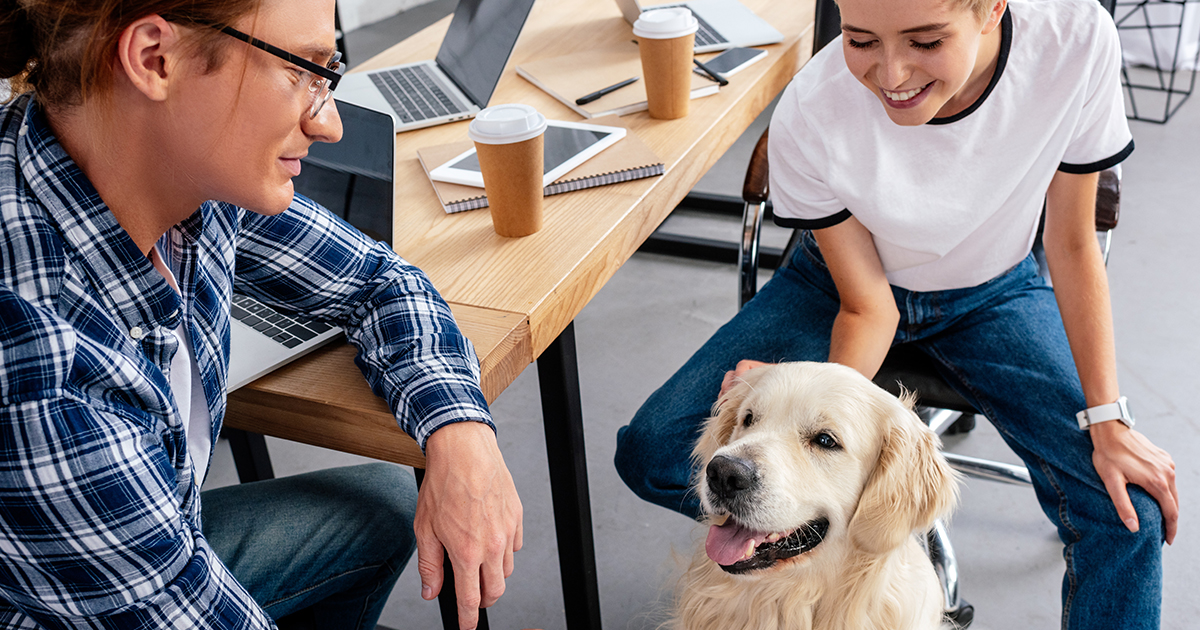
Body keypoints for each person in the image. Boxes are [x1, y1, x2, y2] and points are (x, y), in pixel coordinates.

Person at [614, 0, 1178, 627]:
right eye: (860, 40)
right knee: (655, 449)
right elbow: (868, 304)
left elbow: (1070, 242)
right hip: (840, 286)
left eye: (925, 42)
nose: (891, 75)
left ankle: (867, 544)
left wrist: (1109, 420)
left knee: (1128, 510)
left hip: (995, 289)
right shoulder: (813, 106)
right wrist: (794, 407)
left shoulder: (1075, 39)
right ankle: (824, 544)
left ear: (993, 8)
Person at [0, 0, 520, 628]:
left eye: (328, 73)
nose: (329, 125)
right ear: (154, 60)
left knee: (382, 503)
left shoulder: (170, 167)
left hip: (154, 558)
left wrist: (461, 432)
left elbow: (378, 281)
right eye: (301, 69)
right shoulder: (41, 371)